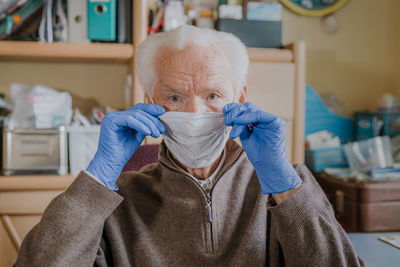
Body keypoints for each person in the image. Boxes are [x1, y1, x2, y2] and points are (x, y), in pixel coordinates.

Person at [15, 25, 365, 266]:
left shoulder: (290, 187)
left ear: (240, 99)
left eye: (213, 95)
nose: (196, 111)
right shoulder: (118, 198)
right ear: (150, 101)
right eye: (175, 97)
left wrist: (285, 186)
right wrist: (97, 178)